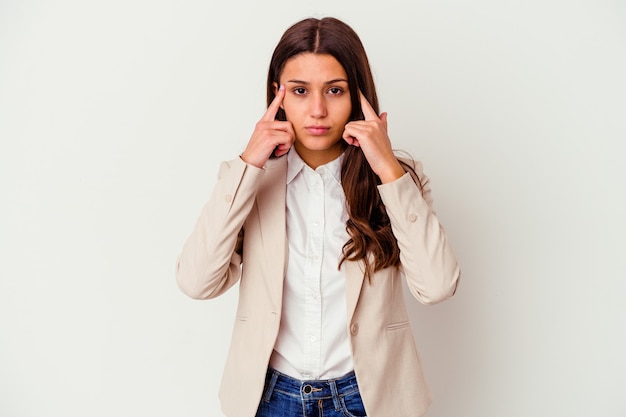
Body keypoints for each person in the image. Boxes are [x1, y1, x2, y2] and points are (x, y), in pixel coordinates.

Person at [176, 16, 460, 417]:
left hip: (370, 396)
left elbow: (437, 286)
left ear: (358, 95)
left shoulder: (397, 179)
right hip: (271, 398)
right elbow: (196, 281)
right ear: (279, 96)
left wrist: (387, 170)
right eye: (299, 90)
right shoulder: (246, 178)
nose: (317, 109)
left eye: (335, 90)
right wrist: (248, 164)